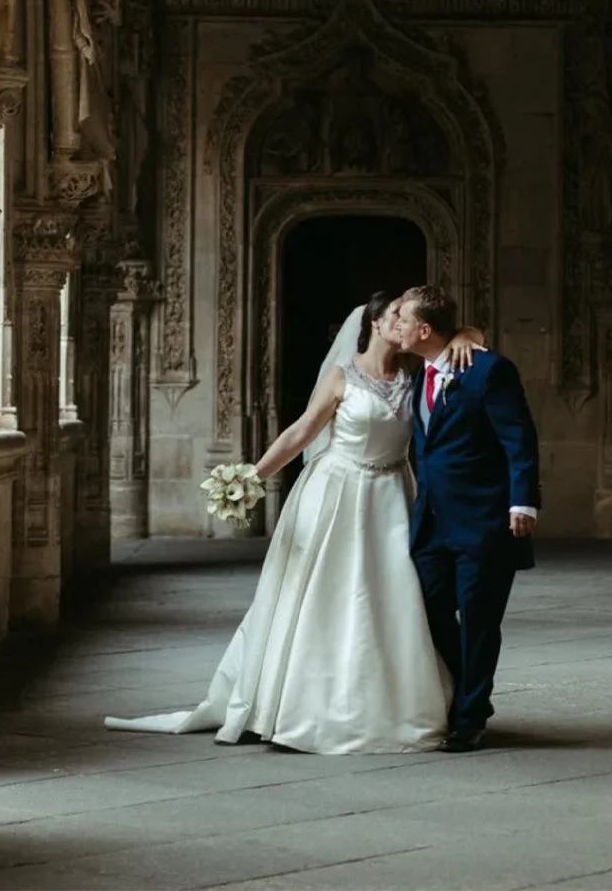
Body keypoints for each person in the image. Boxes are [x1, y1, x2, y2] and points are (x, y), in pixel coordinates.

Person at [104, 293, 485, 754]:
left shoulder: (414, 374)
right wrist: (251, 477)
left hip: (392, 497)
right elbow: (301, 432)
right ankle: (294, 704)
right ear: (373, 323)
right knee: (327, 595)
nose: (402, 322)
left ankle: (392, 701)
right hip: (338, 492)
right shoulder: (341, 376)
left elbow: (459, 341)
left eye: (406, 317)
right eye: (395, 315)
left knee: (391, 598)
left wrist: (467, 334)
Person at [392, 285, 542, 753]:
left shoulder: (488, 370)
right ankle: (465, 691)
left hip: (484, 521)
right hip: (432, 521)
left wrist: (523, 502)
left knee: (479, 621)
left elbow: (519, 439)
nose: (396, 327)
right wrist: (467, 332)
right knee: (429, 608)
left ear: (423, 329)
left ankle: (471, 716)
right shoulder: (418, 374)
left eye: (403, 320)